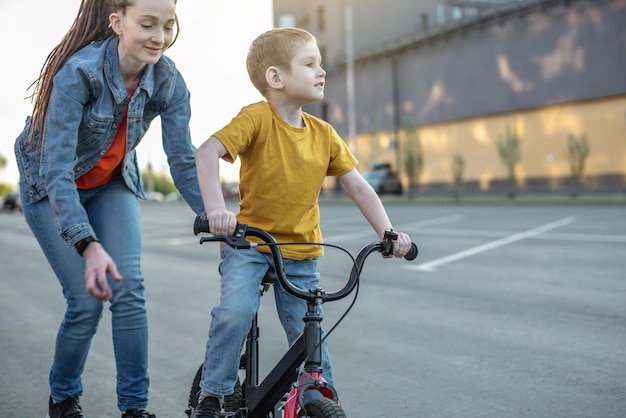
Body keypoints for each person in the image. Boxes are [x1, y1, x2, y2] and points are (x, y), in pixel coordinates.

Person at [193, 27, 413, 417]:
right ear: (275, 77)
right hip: (251, 247)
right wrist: (216, 211)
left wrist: (388, 234)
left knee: (310, 335)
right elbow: (208, 152)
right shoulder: (257, 118)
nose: (321, 70)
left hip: (302, 252)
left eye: (320, 63)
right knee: (236, 312)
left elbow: (359, 188)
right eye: (310, 63)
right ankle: (214, 393)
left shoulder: (324, 134)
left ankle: (318, 395)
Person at [13, 0, 205, 417]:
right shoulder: (78, 74)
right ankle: (63, 398)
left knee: (129, 288)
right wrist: (88, 245)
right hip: (49, 185)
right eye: (148, 24)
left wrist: (216, 218)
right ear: (118, 23)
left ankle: (134, 409)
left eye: (168, 26)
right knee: (85, 301)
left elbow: (183, 161)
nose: (159, 36)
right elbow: (57, 170)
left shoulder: (169, 79)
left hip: (110, 181)